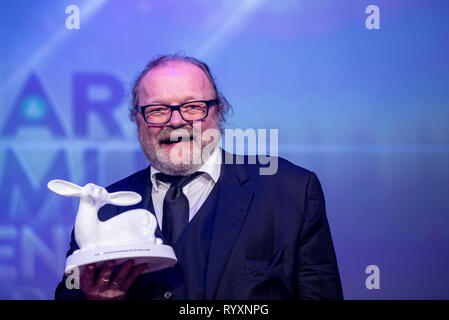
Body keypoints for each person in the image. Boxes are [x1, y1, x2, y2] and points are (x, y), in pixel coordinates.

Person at [55, 54, 343, 300]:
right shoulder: (104, 205)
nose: (176, 120)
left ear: (219, 112)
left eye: (193, 106)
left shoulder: (290, 190)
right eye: (157, 110)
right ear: (138, 120)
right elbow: (70, 292)